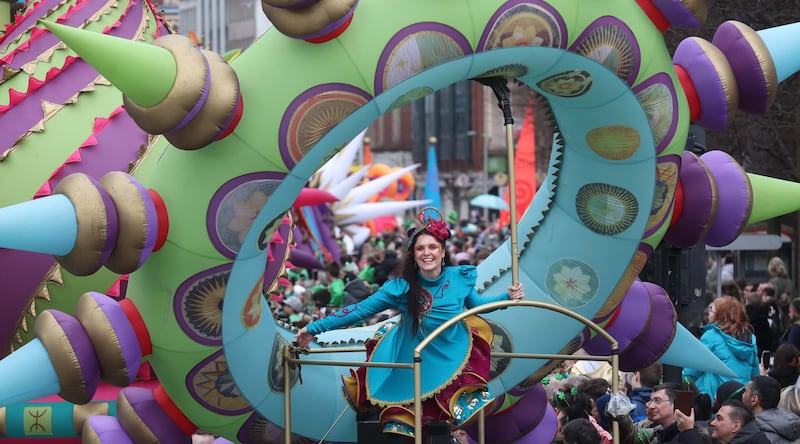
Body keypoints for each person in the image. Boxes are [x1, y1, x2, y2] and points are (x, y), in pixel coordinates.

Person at [295, 210, 524, 438]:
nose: (427, 253)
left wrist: (507, 297)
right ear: (413, 255)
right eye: (420, 248)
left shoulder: (460, 277)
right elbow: (358, 310)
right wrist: (313, 328)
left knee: (451, 422)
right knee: (403, 431)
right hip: (411, 364)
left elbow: (477, 305)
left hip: (450, 357)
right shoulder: (400, 288)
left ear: (443, 251)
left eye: (432, 247)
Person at [683, 296, 760, 398]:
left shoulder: (712, 336)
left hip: (713, 397)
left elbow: (693, 369)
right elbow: (755, 374)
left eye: (711, 311)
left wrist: (677, 383)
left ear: (720, 316)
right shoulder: (750, 340)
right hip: (740, 398)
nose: (708, 314)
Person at [741, 375, 800, 443]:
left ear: (754, 399)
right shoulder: (790, 428)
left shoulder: (752, 436)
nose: (742, 395)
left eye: (745, 391)